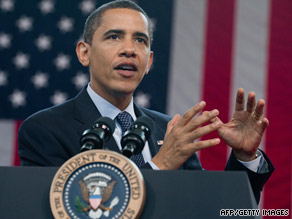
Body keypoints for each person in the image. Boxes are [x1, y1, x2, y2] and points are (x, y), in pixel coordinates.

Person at [18, 0, 273, 203]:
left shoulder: (169, 130)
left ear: (149, 61)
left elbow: (218, 209)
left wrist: (244, 157)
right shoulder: (44, 130)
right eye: (114, 37)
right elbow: (73, 209)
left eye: (140, 40)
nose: (129, 49)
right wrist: (159, 166)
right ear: (85, 53)